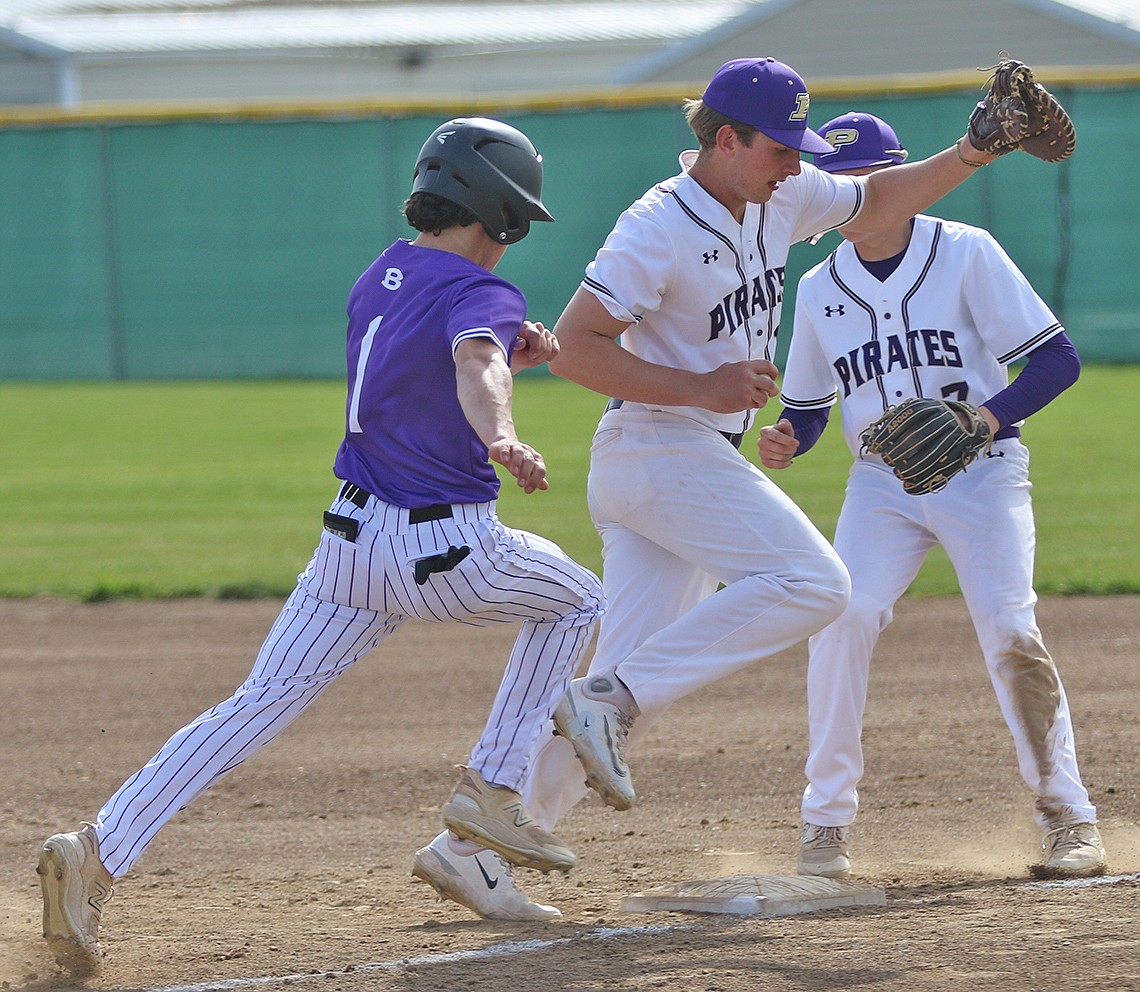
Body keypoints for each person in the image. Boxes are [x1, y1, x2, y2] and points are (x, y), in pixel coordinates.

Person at [458, 55, 1036, 914]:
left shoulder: (781, 197)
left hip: (677, 461)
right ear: (724, 140)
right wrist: (703, 387)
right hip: (659, 447)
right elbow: (577, 346)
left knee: (628, 680)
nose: (797, 165)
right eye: (779, 148)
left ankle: (475, 848)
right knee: (816, 584)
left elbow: (879, 199)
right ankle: (600, 699)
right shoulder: (655, 226)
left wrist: (973, 152)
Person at [36, 117, 606, 975]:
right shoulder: (488, 295)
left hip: (348, 545)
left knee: (255, 704)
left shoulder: (381, 273)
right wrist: (502, 431)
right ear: (505, 212)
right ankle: (491, 792)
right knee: (578, 599)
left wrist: (502, 372)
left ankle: (97, 851)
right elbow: (474, 364)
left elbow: (431, 368)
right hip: (444, 548)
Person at [758, 111, 1106, 880]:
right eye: (836, 184)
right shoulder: (818, 287)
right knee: (840, 613)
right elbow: (813, 405)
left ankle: (1068, 817)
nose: (848, 196)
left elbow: (1057, 361)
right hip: (880, 486)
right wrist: (790, 434)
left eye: (862, 181)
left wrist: (983, 419)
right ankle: (825, 825)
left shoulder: (965, 253)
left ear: (899, 182)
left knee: (1011, 631)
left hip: (982, 475)